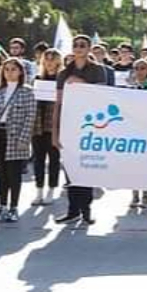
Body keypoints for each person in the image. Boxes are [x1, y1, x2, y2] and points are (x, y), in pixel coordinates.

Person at [53, 35, 106, 225]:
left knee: (87, 168)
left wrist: (80, 83)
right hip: (69, 124)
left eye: (83, 45)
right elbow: (58, 104)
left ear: (89, 48)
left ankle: (86, 210)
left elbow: (101, 95)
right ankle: (72, 210)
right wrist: (54, 131)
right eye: (75, 45)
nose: (78, 48)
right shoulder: (63, 73)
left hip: (91, 124)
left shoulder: (98, 70)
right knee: (70, 170)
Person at [0, 57, 36, 223]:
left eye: (13, 69)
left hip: (16, 137)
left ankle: (14, 207)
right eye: (6, 69)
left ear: (20, 72)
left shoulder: (27, 91)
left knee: (14, 174)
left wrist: (24, 138)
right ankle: (2, 206)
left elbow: (30, 116)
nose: (10, 72)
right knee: (2, 174)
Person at [31, 48, 62, 207]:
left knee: (54, 159)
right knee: (38, 160)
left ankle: (51, 189)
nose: (49, 62)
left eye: (53, 58)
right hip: (37, 124)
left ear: (58, 61)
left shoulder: (62, 79)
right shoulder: (36, 78)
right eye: (47, 59)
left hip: (54, 125)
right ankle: (39, 191)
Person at [126, 58, 147, 209]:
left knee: (145, 165)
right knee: (132, 166)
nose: (139, 71)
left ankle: (145, 196)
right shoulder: (128, 88)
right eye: (137, 68)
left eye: (143, 68)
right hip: (132, 131)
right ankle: (134, 196)